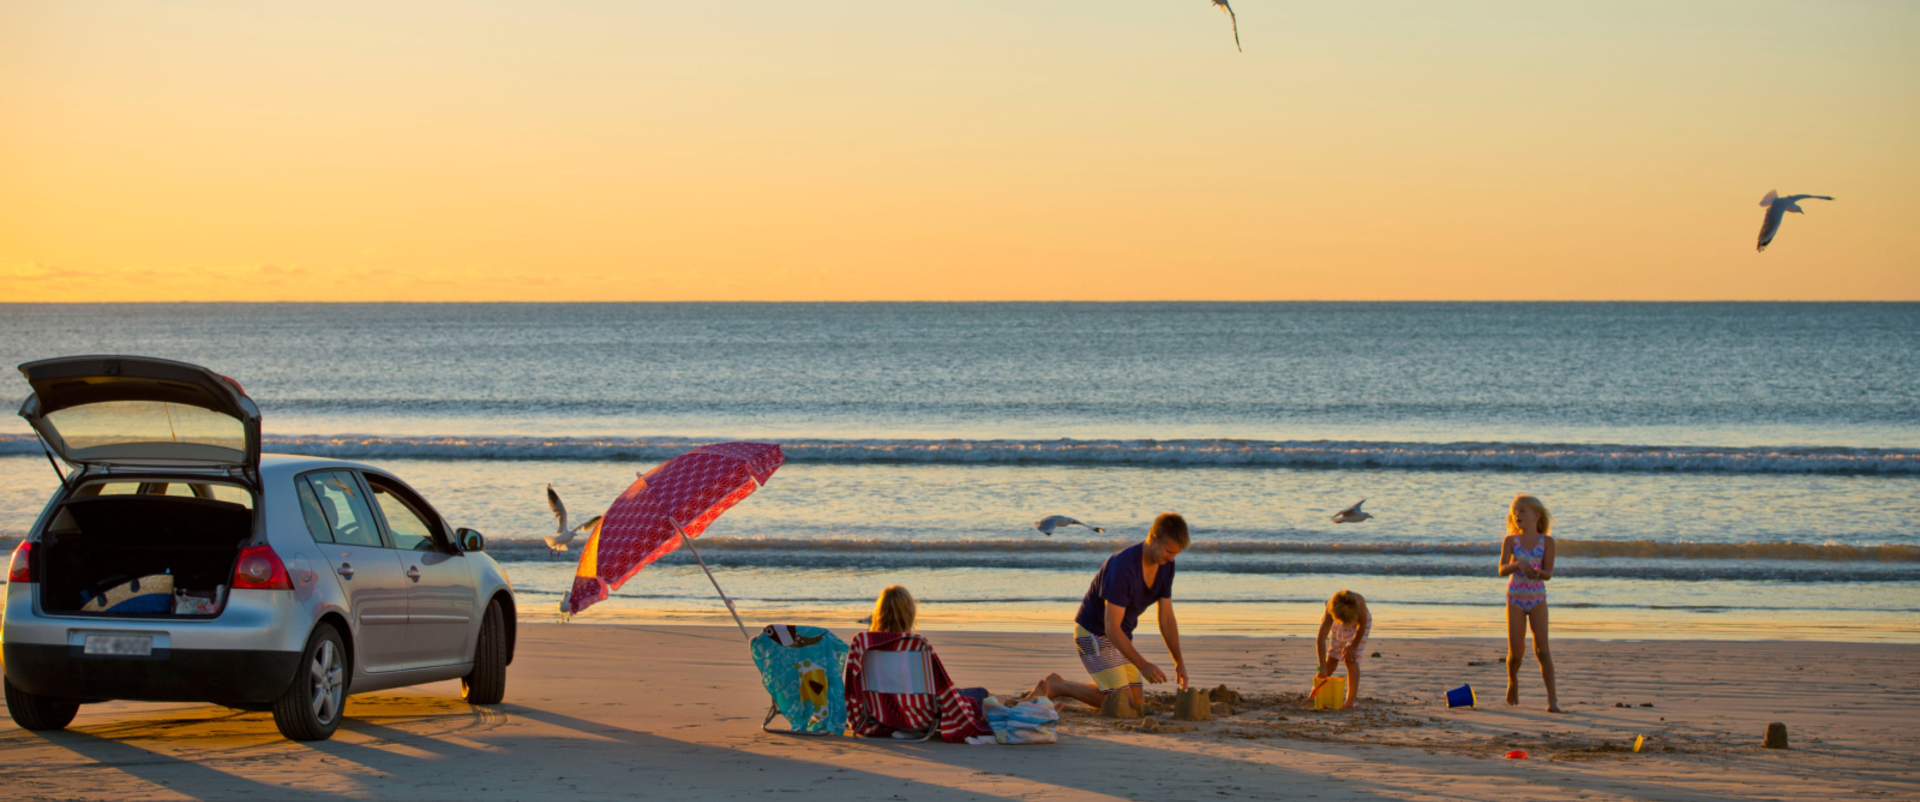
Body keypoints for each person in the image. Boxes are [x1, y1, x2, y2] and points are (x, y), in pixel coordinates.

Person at [1023, 512, 1189, 710]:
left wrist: (1179, 661)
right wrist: (1143, 665)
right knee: (1122, 704)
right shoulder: (1123, 567)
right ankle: (1059, 686)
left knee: (1136, 704)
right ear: (1153, 539)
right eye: (1169, 552)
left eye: (1176, 554)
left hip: (1121, 636)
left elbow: (1167, 618)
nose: (1171, 559)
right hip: (1094, 633)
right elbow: (1111, 628)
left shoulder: (1166, 565)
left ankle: (1083, 686)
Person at [844, 586, 992, 742]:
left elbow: (852, 688)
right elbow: (942, 688)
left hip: (880, 715)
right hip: (920, 718)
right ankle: (1013, 705)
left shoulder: (863, 644)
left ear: (878, 614)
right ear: (910, 614)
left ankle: (1012, 702)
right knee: (979, 693)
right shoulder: (916, 645)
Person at [1499, 493, 1561, 712]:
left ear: (1536, 515)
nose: (1517, 516)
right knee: (1516, 654)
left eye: (1522, 511)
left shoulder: (1547, 542)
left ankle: (1552, 700)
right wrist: (1518, 565)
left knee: (1542, 651)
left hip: (1537, 600)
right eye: (1515, 513)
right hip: (1515, 599)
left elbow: (1549, 573)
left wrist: (1538, 572)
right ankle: (1513, 681)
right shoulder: (1510, 541)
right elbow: (1501, 569)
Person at [1315, 589, 1370, 708]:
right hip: (1338, 620)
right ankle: (1316, 692)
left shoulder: (1360, 603)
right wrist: (1322, 667)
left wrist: (1353, 646)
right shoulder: (1331, 608)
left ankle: (1352, 699)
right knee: (1332, 657)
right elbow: (1321, 639)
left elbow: (1362, 626)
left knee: (1350, 658)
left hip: (1358, 625)